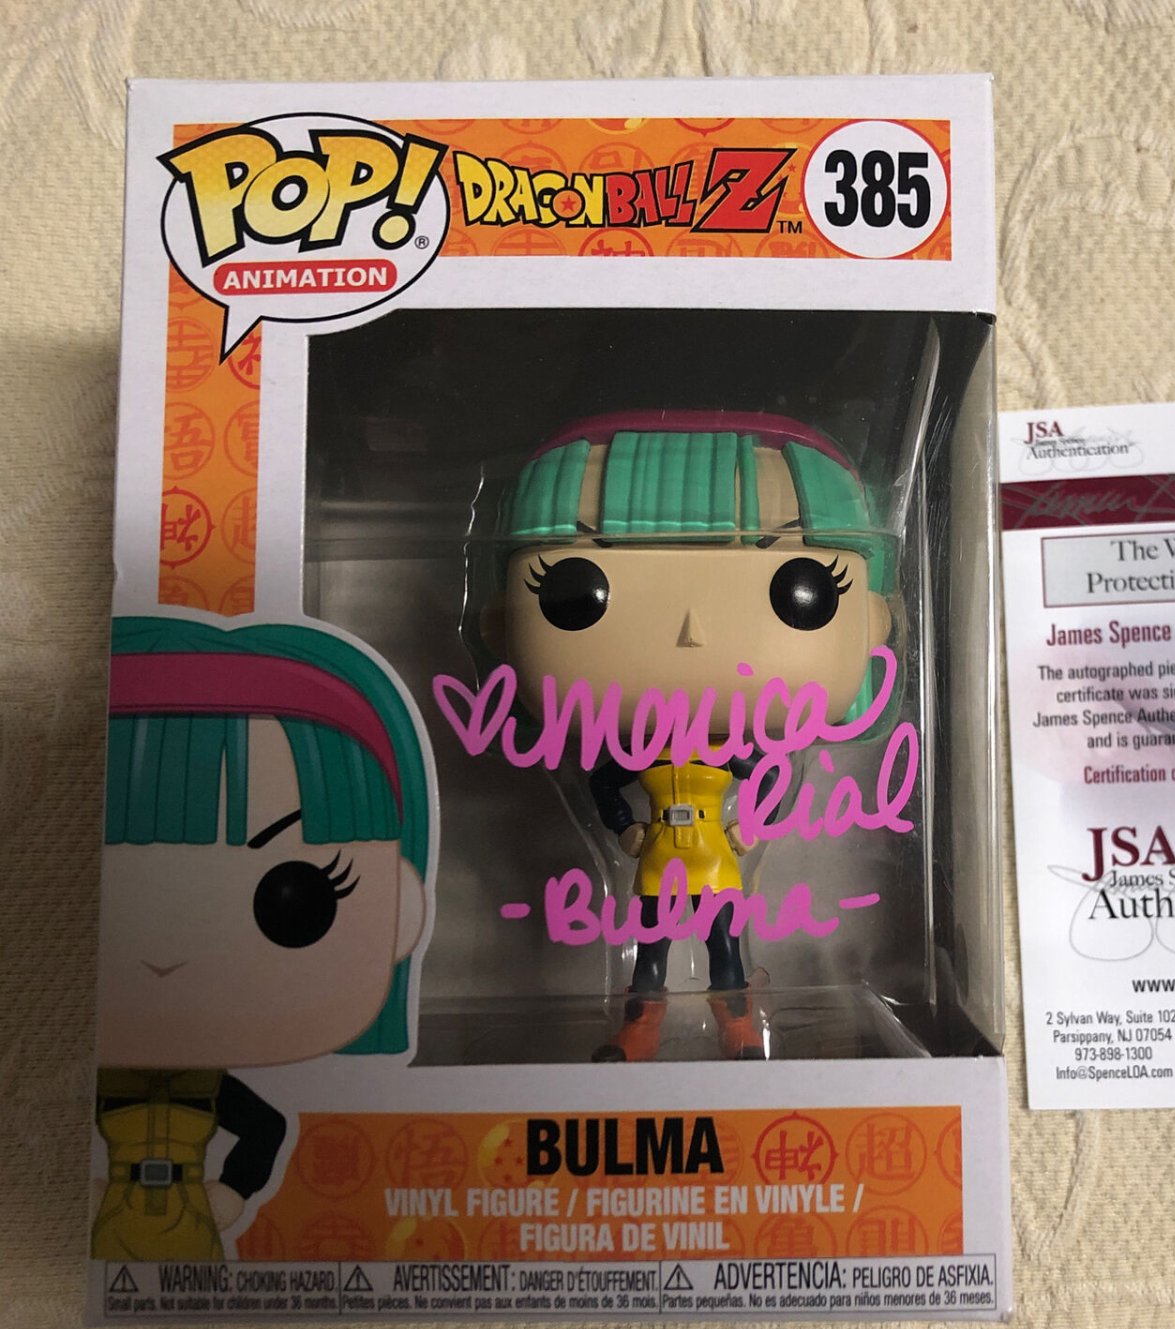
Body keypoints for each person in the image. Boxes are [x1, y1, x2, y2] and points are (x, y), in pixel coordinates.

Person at [484, 412, 893, 1060]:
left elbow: (767, 775)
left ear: (874, 618)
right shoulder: (637, 751)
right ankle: (641, 1026)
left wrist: (750, 825)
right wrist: (625, 826)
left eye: (801, 590)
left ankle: (737, 1025)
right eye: (575, 592)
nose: (692, 629)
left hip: (715, 860)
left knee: (724, 946)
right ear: (500, 625)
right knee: (650, 951)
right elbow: (606, 783)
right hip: (656, 861)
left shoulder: (731, 750)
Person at [93, 615, 432, 1260]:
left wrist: (234, 1189)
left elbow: (266, 1127)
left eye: (295, 899)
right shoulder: (102, 1080)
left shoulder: (205, 1086)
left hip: (190, 1222)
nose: (168, 955)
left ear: (405, 908)